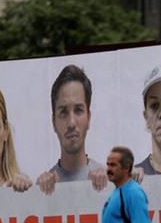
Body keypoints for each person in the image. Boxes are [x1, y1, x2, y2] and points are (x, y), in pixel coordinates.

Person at [36, 64, 108, 194]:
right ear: (54, 122)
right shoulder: (43, 188)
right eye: (63, 112)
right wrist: (36, 196)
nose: (71, 122)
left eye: (78, 110)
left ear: (89, 118)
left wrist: (111, 187)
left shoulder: (110, 182)